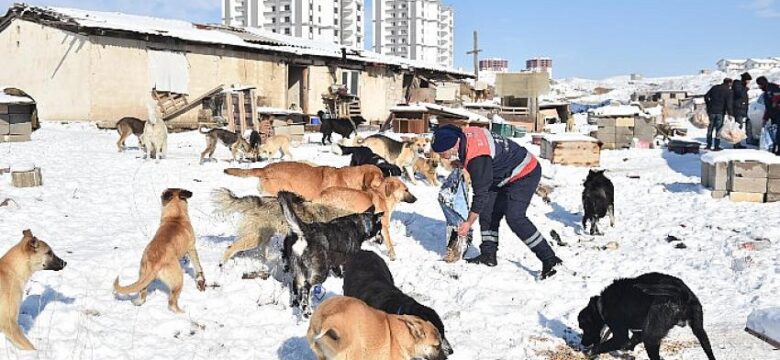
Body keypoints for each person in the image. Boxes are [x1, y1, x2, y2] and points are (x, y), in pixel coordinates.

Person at [431, 125, 563, 279]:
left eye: (443, 153)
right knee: (488, 211)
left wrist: (468, 223)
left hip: (525, 172)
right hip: (501, 174)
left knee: (515, 217)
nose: (442, 156)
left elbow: (480, 194)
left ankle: (549, 259)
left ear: (452, 144)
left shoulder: (477, 158)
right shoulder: (464, 135)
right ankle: (488, 255)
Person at [704, 78, 734, 151]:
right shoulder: (728, 91)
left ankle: (708, 145)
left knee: (710, 128)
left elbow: (706, 96)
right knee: (718, 129)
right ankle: (716, 146)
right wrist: (730, 114)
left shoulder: (714, 88)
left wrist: (709, 105)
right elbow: (728, 104)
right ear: (729, 83)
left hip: (711, 111)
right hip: (720, 112)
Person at [757, 76, 780, 155]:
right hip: (774, 115)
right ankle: (774, 148)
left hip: (778, 113)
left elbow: (777, 97)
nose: (759, 87)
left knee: (778, 133)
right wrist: (765, 118)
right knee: (774, 132)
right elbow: (768, 107)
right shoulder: (766, 93)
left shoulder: (773, 88)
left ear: (762, 84)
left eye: (759, 85)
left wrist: (775, 102)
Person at [732, 72, 752, 148]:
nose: (749, 83)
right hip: (738, 109)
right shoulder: (737, 84)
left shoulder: (742, 86)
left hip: (741, 109)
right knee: (738, 127)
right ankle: (736, 144)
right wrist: (746, 88)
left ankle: (738, 143)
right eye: (748, 81)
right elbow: (739, 94)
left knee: (740, 127)